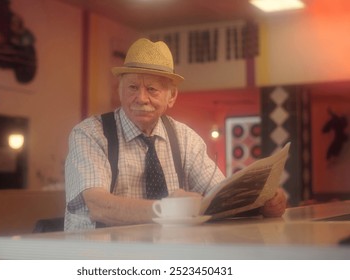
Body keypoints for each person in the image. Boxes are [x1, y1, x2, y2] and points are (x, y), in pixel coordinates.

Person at [64, 38, 287, 231]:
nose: (141, 98)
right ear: (119, 90)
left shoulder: (185, 139)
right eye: (132, 87)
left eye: (152, 89)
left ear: (171, 97)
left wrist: (262, 203)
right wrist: (168, 210)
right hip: (99, 258)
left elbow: (219, 198)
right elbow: (98, 205)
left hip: (166, 255)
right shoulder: (90, 134)